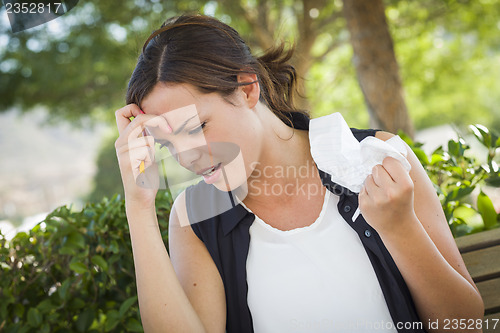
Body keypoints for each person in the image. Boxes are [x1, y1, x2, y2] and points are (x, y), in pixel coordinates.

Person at [114, 14, 484, 333]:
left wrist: (399, 228)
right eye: (167, 144)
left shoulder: (375, 157)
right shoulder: (194, 215)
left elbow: (463, 323)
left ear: (246, 89)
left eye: (197, 127)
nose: (187, 157)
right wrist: (139, 206)